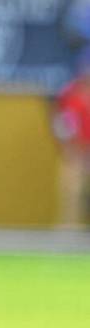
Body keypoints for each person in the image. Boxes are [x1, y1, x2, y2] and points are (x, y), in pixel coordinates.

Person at [54, 56, 90, 226]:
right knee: (71, 184)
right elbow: (63, 124)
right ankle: (69, 228)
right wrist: (71, 149)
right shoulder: (70, 94)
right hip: (77, 151)